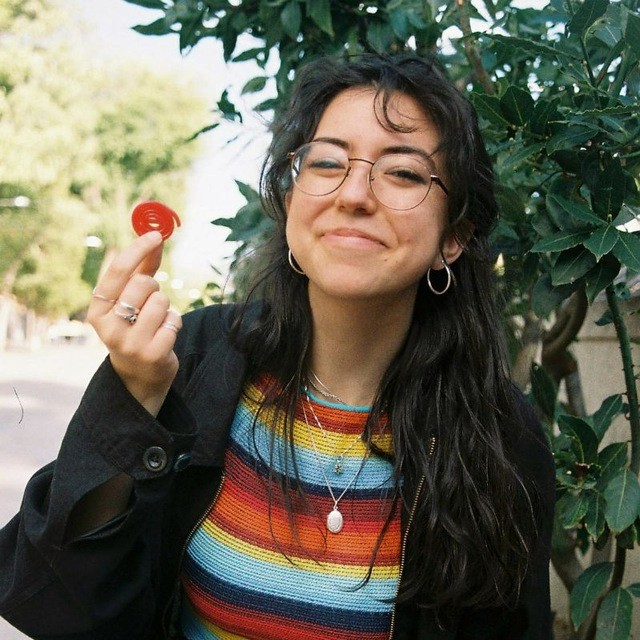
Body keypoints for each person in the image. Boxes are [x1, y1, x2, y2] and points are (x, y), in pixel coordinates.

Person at [0, 53, 555, 640]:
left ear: (454, 237)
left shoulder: (500, 435)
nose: (354, 195)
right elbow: (59, 599)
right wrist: (133, 397)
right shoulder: (196, 359)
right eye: (326, 163)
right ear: (292, 203)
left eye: (404, 173)